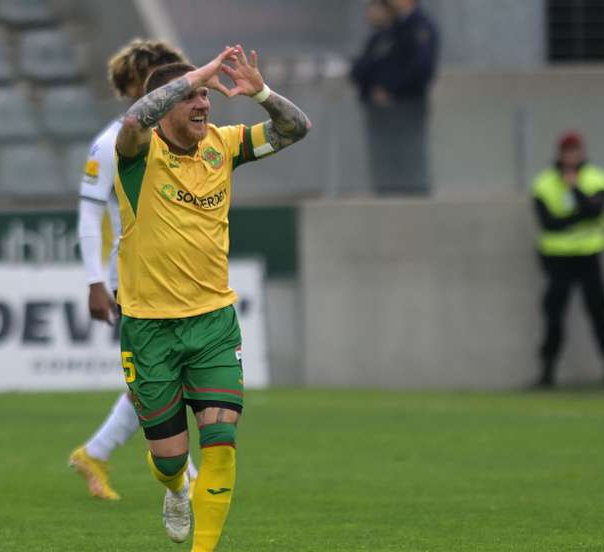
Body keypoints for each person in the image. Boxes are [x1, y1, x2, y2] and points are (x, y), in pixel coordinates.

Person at [114, 45, 310, 550]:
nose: (204, 104)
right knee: (169, 459)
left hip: (213, 324)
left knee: (221, 442)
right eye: (193, 96)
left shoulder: (223, 146)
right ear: (169, 103)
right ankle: (176, 488)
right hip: (149, 325)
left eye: (207, 95)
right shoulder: (137, 154)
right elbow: (136, 119)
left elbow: (296, 129)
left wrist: (262, 93)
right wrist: (191, 75)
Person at [69, 38, 198, 500]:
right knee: (163, 383)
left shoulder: (182, 137)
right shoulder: (112, 143)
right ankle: (186, 482)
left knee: (167, 381)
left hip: (181, 279)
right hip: (136, 282)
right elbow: (88, 213)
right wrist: (94, 282)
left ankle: (96, 453)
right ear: (131, 87)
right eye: (154, 77)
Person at [532, 131, 604, 388]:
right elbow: (548, 224)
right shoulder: (544, 182)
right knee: (554, 315)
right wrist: (580, 215)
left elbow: (596, 211)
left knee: (599, 311)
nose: (571, 156)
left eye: (575, 150)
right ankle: (547, 372)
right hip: (557, 258)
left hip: (589, 255)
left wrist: (575, 190)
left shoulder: (596, 178)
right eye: (566, 151)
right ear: (559, 153)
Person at [350, 0, 438, 195]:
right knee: (384, 162)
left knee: (409, 160)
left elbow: (421, 68)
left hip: (407, 109)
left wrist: (392, 90)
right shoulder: (389, 31)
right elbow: (363, 69)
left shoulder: (419, 26)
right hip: (381, 115)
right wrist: (374, 89)